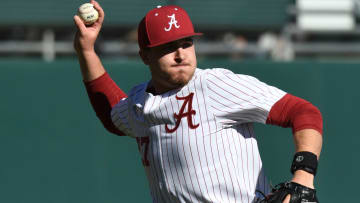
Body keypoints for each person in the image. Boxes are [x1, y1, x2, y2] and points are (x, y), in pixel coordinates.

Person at [73, 1, 323, 203]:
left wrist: (304, 173)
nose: (181, 54)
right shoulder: (139, 103)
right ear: (145, 56)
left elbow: (302, 112)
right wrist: (86, 51)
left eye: (186, 43)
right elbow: (112, 114)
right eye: (168, 47)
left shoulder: (216, 84)